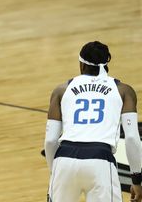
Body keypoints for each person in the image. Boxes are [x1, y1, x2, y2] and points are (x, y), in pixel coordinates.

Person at [44, 41, 142, 202]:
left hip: (64, 160)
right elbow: (131, 138)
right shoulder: (124, 90)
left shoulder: (61, 90)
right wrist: (136, 180)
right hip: (100, 160)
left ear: (81, 65)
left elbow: (50, 141)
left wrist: (55, 173)